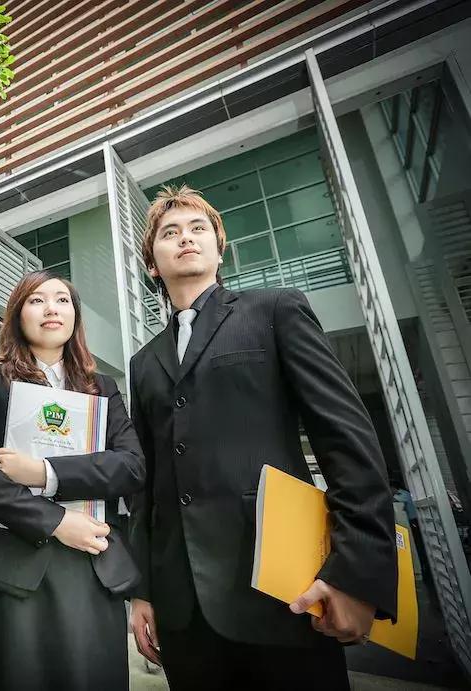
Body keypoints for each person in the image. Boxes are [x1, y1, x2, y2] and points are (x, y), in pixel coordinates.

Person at [127, 184, 398, 690]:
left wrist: (356, 572)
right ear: (152, 263)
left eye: (197, 228)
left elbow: (346, 439)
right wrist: (142, 591)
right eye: (169, 232)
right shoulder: (143, 363)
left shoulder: (274, 310)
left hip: (279, 590)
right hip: (182, 610)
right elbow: (145, 488)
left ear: (218, 248)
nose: (185, 237)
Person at [0, 269, 145, 690]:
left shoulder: (102, 389)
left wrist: (45, 473)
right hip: (16, 566)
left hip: (92, 564)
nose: (51, 308)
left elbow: (131, 465)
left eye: (62, 299)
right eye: (36, 300)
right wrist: (54, 520)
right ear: (19, 316)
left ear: (75, 316)